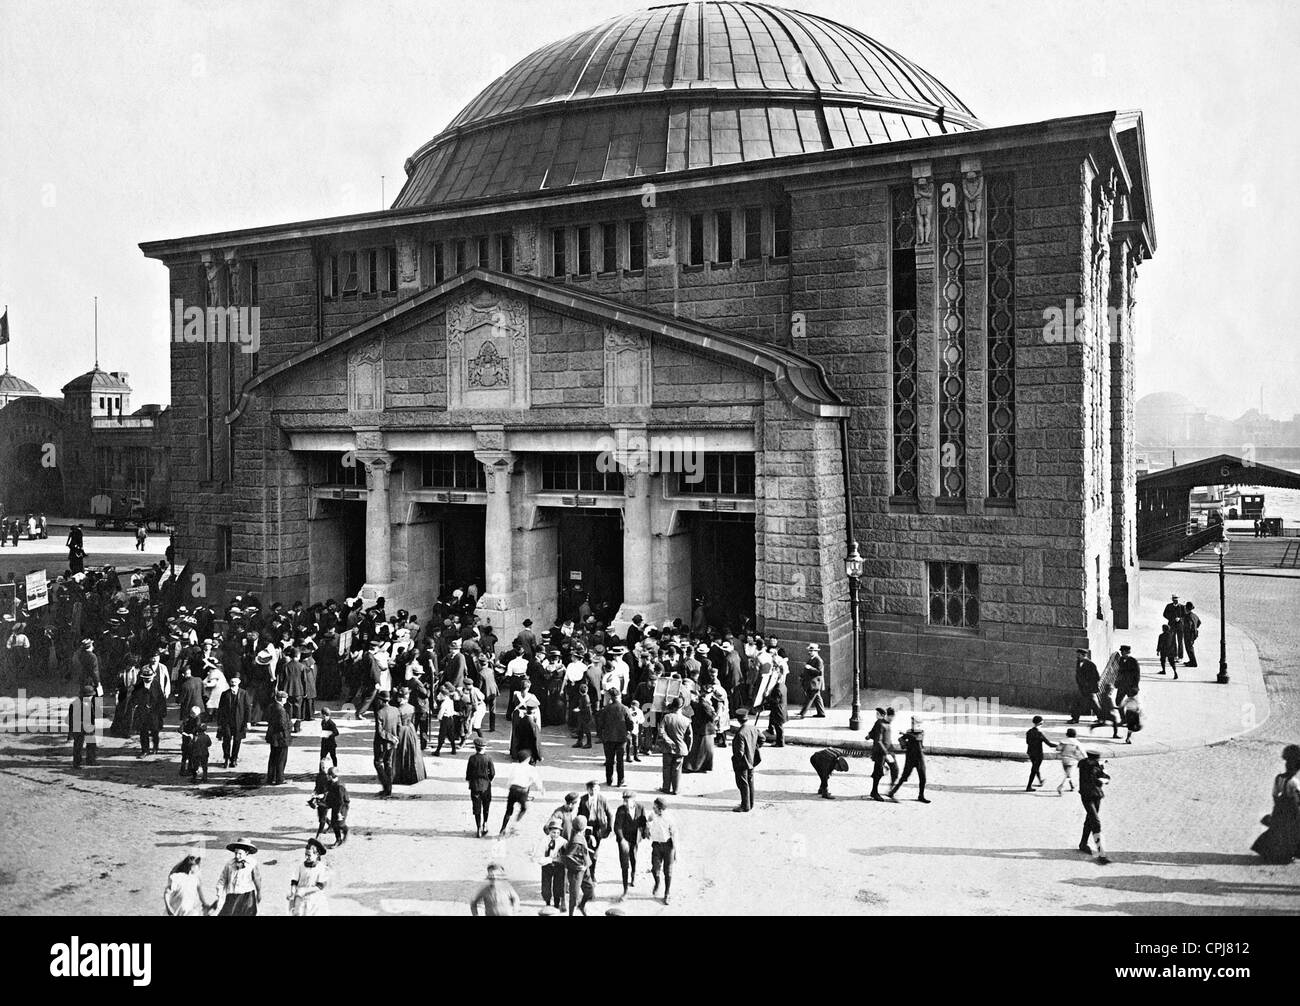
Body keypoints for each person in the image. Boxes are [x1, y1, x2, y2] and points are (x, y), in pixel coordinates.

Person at [1251, 744, 1300, 864]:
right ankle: (1287, 855)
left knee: (1277, 830)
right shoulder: (1294, 782)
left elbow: (1274, 793)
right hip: (1291, 810)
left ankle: (1271, 852)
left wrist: (1278, 805)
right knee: (1291, 833)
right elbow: (1297, 798)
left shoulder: (1279, 778)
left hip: (1279, 808)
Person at [613, 789, 648, 897]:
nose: (625, 803)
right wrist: (622, 840)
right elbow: (617, 827)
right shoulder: (621, 810)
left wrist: (645, 832)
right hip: (624, 839)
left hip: (635, 839)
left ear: (633, 800)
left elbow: (643, 822)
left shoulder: (640, 807)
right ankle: (625, 888)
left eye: (627, 800)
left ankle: (633, 875)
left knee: (634, 858)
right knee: (624, 863)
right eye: (624, 800)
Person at [1077, 751, 1111, 864]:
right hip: (1089, 796)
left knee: (1090, 820)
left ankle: (1083, 843)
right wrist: (1103, 773)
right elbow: (1102, 778)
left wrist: (1103, 772)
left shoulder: (1087, 765)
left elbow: (1105, 777)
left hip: (1096, 795)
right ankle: (1101, 854)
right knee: (1096, 822)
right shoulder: (1089, 767)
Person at [215, 838, 264, 915]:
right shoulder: (229, 864)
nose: (237, 856)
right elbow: (222, 879)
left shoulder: (252, 863)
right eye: (236, 853)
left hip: (247, 895)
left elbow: (257, 878)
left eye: (240, 854)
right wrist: (219, 892)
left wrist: (259, 892)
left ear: (246, 852)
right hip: (232, 895)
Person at [500, 752, 545, 835]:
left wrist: (508, 787)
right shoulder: (531, 769)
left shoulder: (515, 767)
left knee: (509, 810)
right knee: (524, 808)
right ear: (528, 759)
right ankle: (514, 824)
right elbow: (537, 780)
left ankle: (503, 828)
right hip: (522, 791)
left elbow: (510, 778)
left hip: (513, 789)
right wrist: (541, 789)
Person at [561, 815, 598, 916]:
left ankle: (581, 906)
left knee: (590, 890)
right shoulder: (576, 841)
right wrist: (578, 866)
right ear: (583, 827)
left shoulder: (578, 834)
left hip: (584, 869)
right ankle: (571, 914)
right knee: (574, 896)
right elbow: (567, 857)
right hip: (576, 872)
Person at [595, 689, 633, 786]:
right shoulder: (625, 708)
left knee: (609, 760)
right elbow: (630, 724)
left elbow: (600, 724)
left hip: (608, 738)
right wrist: (627, 730)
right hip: (621, 738)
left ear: (610, 697)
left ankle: (609, 780)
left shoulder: (606, 709)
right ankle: (620, 781)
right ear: (619, 696)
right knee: (620, 761)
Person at [578, 780, 613, 882]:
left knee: (594, 853)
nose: (594, 791)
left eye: (596, 789)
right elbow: (579, 814)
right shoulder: (583, 799)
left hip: (598, 828)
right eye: (592, 789)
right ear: (588, 789)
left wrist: (608, 829)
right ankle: (585, 874)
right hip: (586, 828)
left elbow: (610, 814)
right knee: (585, 851)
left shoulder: (603, 800)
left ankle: (592, 874)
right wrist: (579, 828)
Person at [217, 672, 252, 768]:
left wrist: (248, 721)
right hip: (227, 722)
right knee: (226, 740)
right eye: (232, 682)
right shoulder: (225, 694)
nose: (233, 683)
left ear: (239, 682)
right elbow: (220, 709)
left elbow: (248, 709)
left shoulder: (244, 693)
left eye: (235, 682)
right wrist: (219, 723)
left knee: (237, 741)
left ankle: (234, 759)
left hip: (239, 722)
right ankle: (226, 758)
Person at [658, 696, 692, 796]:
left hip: (667, 747)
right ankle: (676, 789)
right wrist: (688, 748)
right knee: (677, 769)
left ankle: (666, 788)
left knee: (666, 767)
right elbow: (690, 737)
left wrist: (668, 740)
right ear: (681, 707)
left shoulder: (667, 717)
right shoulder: (687, 720)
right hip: (681, 747)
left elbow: (661, 731)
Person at [647, 796, 678, 906]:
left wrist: (675, 852)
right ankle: (657, 882)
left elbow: (674, 835)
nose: (653, 809)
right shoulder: (653, 814)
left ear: (660, 809)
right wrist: (647, 826)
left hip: (668, 846)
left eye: (655, 807)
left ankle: (667, 893)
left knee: (668, 872)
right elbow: (648, 819)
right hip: (656, 845)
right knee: (655, 869)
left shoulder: (669, 819)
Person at [891, 716, 930, 802]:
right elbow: (900, 739)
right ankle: (892, 792)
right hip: (910, 758)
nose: (912, 724)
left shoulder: (921, 732)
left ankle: (921, 796)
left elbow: (916, 738)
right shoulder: (909, 732)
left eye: (914, 723)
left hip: (919, 758)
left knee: (923, 778)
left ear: (918, 724)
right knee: (904, 777)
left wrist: (905, 735)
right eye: (912, 723)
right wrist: (904, 744)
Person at [288, 839, 331, 916]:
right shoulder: (301, 866)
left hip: (315, 900)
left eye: (309, 855)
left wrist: (305, 890)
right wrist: (292, 891)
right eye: (306, 854)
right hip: (300, 899)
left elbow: (320, 886)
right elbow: (294, 881)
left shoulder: (321, 868)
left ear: (316, 854)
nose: (306, 857)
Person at [393, 690, 427, 784]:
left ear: (400, 698)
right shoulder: (412, 707)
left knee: (401, 752)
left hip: (402, 730)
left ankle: (401, 775)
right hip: (410, 729)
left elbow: (397, 722)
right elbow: (413, 720)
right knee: (413, 751)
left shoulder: (398, 709)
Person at [731, 707, 761, 812]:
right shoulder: (753, 728)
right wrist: (754, 747)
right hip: (752, 760)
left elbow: (739, 753)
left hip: (743, 763)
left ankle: (745, 806)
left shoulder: (740, 734)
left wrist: (735, 760)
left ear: (738, 720)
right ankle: (750, 803)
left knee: (743, 784)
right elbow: (762, 738)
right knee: (750, 782)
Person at [533, 818, 567, 909]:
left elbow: (567, 855)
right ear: (549, 831)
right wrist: (551, 859)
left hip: (559, 867)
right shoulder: (544, 841)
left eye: (557, 833)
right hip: (547, 866)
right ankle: (547, 903)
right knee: (546, 886)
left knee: (558, 885)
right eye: (553, 832)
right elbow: (538, 858)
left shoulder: (563, 841)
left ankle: (556, 904)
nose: (555, 835)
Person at [465, 738, 495, 837]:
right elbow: (493, 773)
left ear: (475, 747)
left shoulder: (472, 758)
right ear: (484, 748)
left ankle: (478, 828)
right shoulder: (488, 758)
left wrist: (470, 780)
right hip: (486, 786)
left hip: (474, 786)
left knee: (476, 808)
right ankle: (485, 824)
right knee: (486, 806)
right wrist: (488, 779)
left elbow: (468, 773)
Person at [867, 707, 898, 801]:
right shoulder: (880, 724)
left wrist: (891, 751)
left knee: (895, 769)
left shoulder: (888, 724)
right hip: (880, 753)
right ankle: (874, 792)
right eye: (893, 717)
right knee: (878, 773)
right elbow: (878, 741)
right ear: (889, 716)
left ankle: (891, 791)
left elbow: (886, 738)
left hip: (888, 751)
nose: (894, 719)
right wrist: (886, 753)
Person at [373, 689, 400, 796]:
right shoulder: (396, 710)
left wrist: (391, 738)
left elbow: (380, 732)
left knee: (378, 763)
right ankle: (389, 788)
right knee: (388, 763)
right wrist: (395, 738)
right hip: (393, 743)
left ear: (382, 701)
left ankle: (386, 786)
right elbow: (399, 726)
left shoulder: (380, 713)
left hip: (381, 743)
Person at [265, 690, 292, 785]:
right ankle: (280, 779)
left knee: (273, 758)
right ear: (283, 699)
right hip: (281, 738)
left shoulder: (272, 706)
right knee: (281, 759)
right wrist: (290, 724)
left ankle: (271, 777)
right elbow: (282, 725)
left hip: (273, 737)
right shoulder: (281, 710)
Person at [1025, 715, 1056, 791]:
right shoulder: (1039, 734)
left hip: (1030, 753)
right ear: (1040, 723)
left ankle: (1040, 780)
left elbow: (1027, 742)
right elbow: (1050, 744)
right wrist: (1060, 746)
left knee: (1035, 767)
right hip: (1038, 754)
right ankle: (1029, 786)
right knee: (1034, 769)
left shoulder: (1029, 732)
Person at [798, 643, 827, 718]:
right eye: (809, 650)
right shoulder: (811, 659)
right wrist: (802, 676)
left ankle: (802, 713)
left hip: (815, 684)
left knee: (809, 698)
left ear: (816, 651)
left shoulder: (818, 660)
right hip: (812, 683)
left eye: (811, 651)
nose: (809, 652)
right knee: (817, 698)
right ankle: (821, 713)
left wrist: (810, 668)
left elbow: (819, 672)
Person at [323, 767, 350, 847]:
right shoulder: (331, 782)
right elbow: (327, 791)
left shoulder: (339, 786)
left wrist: (339, 813)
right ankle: (338, 840)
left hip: (342, 807)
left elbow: (341, 801)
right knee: (334, 824)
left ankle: (346, 830)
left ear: (331, 776)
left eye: (328, 775)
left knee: (340, 823)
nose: (327, 776)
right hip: (335, 804)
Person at [1056, 727, 1086, 795]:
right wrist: (1086, 758)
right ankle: (1061, 787)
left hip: (1064, 759)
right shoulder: (1077, 742)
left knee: (1068, 774)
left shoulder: (1063, 741)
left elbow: (1058, 748)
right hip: (1072, 760)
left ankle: (1072, 786)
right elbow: (1083, 752)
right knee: (1069, 774)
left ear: (1067, 734)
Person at [571, 681, 595, 748]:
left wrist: (579, 709)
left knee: (586, 730)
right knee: (580, 729)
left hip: (585, 716)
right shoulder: (584, 697)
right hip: (582, 715)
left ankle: (589, 743)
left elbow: (586, 708)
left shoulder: (585, 698)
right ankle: (579, 742)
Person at [1162, 594, 1185, 660]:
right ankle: (1175, 655)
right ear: (1172, 599)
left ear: (1178, 599)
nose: (1176, 600)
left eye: (1177, 599)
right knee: (1173, 641)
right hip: (1171, 626)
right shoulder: (1168, 606)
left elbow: (1184, 616)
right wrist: (1172, 618)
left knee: (1180, 641)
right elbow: (1165, 614)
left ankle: (1180, 657)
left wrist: (1180, 619)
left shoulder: (1182, 607)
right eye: (1174, 599)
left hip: (1180, 626)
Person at [1182, 600, 1200, 667]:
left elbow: (1189, 626)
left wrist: (1186, 629)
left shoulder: (1187, 616)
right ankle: (1191, 661)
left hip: (1188, 634)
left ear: (1187, 609)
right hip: (1194, 634)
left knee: (1189, 648)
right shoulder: (1194, 615)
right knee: (1190, 647)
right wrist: (1195, 627)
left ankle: (1193, 663)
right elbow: (1199, 622)